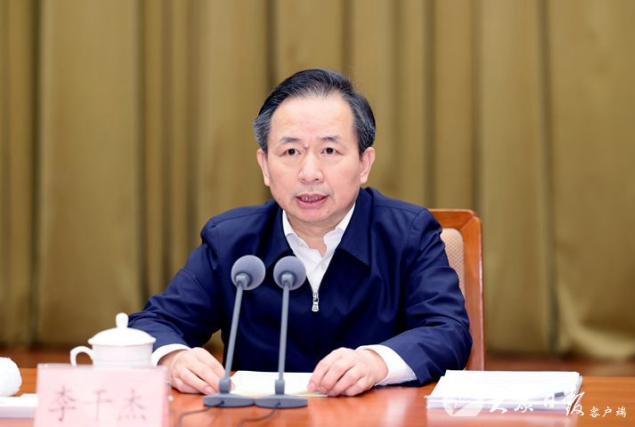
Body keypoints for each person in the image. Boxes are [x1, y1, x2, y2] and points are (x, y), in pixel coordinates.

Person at [128, 68, 471, 397]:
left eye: (329, 150)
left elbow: (447, 332)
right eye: (291, 151)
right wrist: (174, 358)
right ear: (265, 165)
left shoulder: (408, 234)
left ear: (364, 163)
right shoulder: (231, 241)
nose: (309, 172)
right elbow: (152, 323)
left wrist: (376, 362)